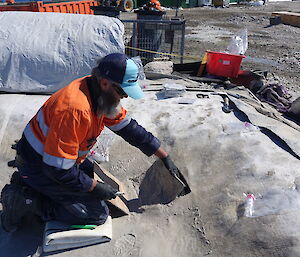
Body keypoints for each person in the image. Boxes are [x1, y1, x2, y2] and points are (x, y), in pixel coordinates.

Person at [0, 53, 181, 233]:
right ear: (105, 83)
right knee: (94, 213)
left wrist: (164, 156)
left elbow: (129, 129)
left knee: (86, 177)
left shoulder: (99, 93)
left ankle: (33, 187)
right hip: (39, 166)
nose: (124, 98)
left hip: (53, 160)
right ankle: (23, 201)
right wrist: (95, 188)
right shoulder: (74, 110)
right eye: (122, 92)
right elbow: (57, 170)